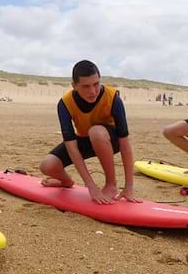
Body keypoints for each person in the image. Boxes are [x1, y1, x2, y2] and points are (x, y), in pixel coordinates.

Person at [39, 60, 139, 204]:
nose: (93, 91)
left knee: (96, 132)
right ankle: (66, 182)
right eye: (85, 86)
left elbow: (124, 144)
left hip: (110, 140)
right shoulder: (65, 103)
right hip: (84, 139)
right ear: (74, 86)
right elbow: (71, 146)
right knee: (47, 166)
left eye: (96, 84)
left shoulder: (112, 98)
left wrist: (129, 186)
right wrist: (91, 186)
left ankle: (111, 185)